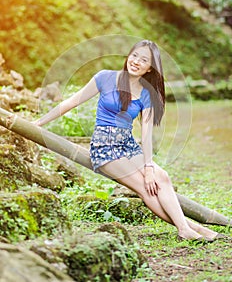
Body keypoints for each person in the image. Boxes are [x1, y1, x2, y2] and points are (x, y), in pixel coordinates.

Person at [34, 39, 221, 241]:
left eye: (144, 60)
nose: (136, 62)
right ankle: (187, 228)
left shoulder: (147, 93)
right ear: (128, 57)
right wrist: (38, 122)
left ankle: (188, 228)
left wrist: (149, 168)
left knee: (162, 177)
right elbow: (70, 102)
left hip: (128, 145)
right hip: (105, 147)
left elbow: (147, 134)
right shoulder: (104, 77)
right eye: (134, 56)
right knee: (145, 188)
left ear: (150, 68)